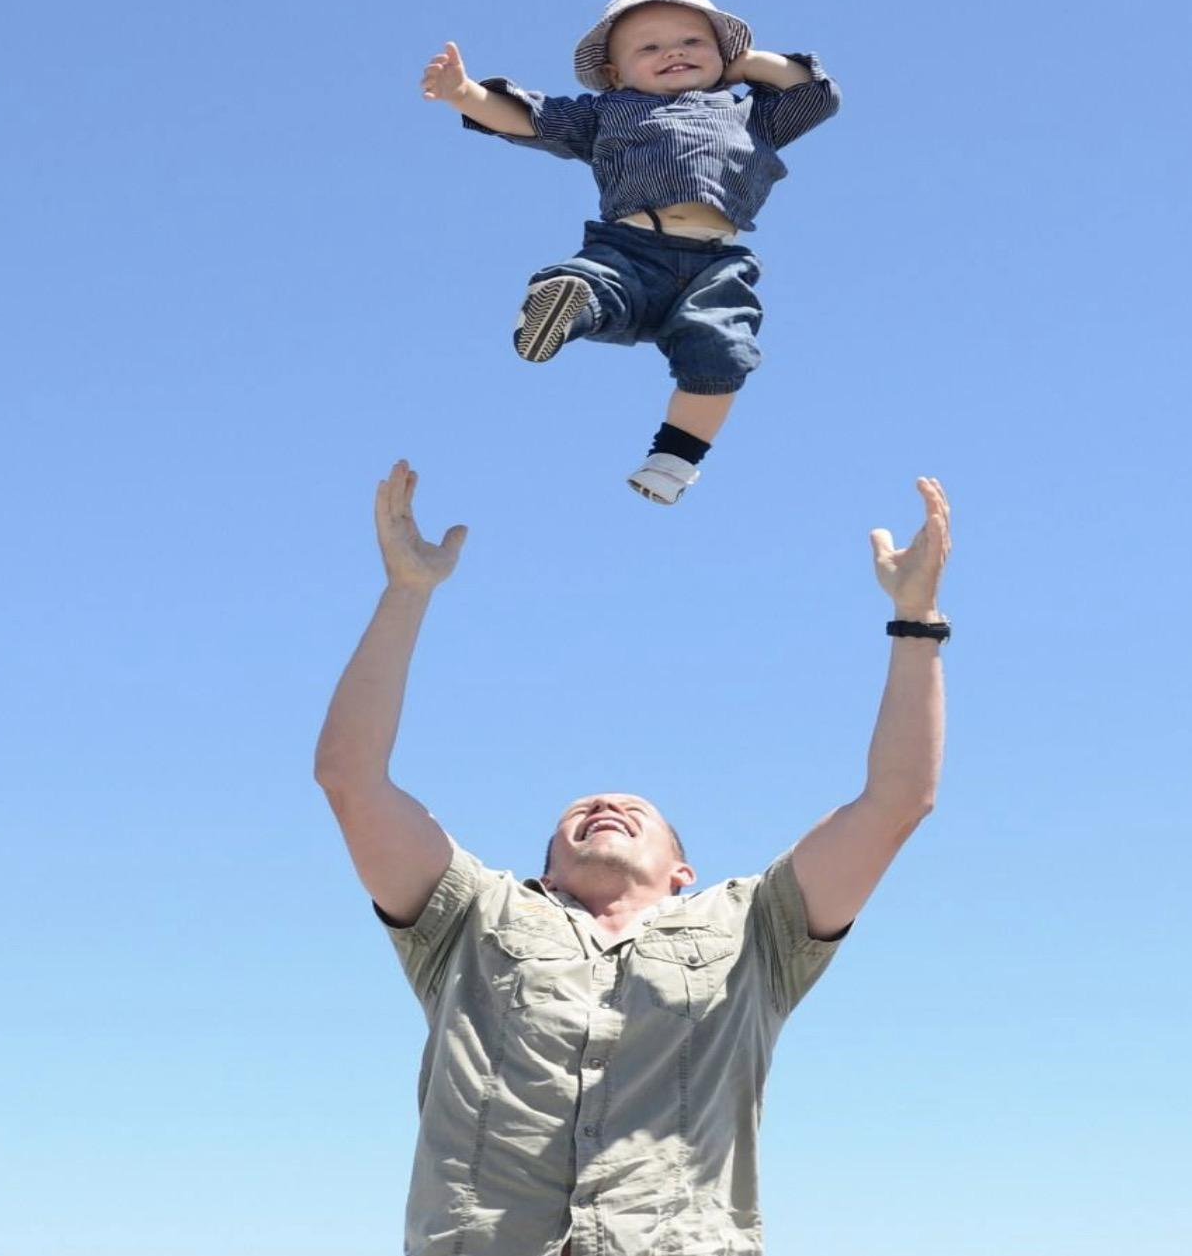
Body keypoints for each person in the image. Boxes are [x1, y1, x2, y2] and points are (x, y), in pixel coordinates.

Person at [314, 460, 950, 1255]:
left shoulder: (758, 927)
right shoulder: (472, 916)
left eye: (636, 811)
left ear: (684, 871)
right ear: (546, 869)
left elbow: (896, 803)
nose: (607, 805)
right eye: (582, 809)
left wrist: (916, 617)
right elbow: (350, 779)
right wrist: (407, 590)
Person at [419, 0, 841, 505]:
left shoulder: (752, 114)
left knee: (725, 354)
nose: (675, 52)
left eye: (692, 41)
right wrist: (464, 93)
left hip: (718, 265)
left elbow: (816, 95)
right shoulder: (607, 112)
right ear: (615, 75)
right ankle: (557, 307)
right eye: (650, 48)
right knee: (600, 288)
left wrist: (750, 63)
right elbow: (530, 118)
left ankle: (673, 462)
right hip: (632, 247)